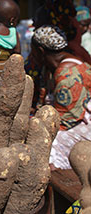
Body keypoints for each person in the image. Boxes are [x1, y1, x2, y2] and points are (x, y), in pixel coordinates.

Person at [31, 24, 91, 170]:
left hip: (81, 125)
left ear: (40, 51)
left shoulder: (68, 74)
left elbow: (68, 120)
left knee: (46, 146)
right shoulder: (49, 69)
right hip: (68, 121)